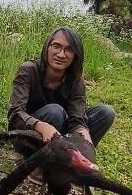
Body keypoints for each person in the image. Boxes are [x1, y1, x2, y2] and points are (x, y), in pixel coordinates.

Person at [8, 26, 115, 181]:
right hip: (27, 137)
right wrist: (41, 126)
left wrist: (85, 140)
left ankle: (76, 163)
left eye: (69, 50)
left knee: (105, 113)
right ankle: (42, 165)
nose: (61, 54)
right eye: (56, 46)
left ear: (76, 55)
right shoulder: (29, 71)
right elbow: (15, 113)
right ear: (47, 48)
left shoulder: (76, 80)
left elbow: (77, 119)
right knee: (55, 111)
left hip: (60, 136)